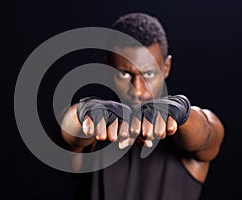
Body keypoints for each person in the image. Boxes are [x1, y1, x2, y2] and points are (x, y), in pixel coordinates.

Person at [58, 12, 224, 200]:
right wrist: (86, 112)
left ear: (166, 67)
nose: (137, 90)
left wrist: (181, 112)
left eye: (148, 74)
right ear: (108, 69)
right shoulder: (94, 130)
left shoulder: (188, 130)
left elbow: (207, 133)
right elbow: (67, 129)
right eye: (124, 74)